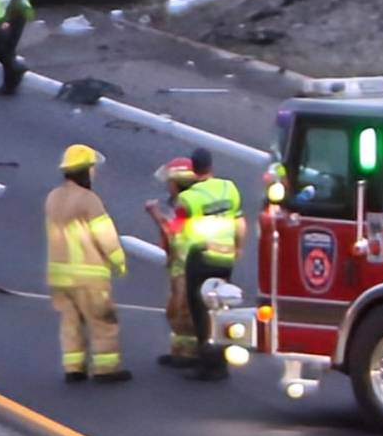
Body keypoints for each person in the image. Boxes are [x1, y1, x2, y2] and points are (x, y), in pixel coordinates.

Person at [46, 143, 131, 383]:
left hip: (59, 275)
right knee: (103, 322)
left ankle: (74, 368)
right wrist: (118, 261)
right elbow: (105, 235)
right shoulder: (89, 199)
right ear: (85, 170)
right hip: (88, 274)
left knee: (70, 322)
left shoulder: (53, 197)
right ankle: (106, 369)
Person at [172, 147, 248, 380]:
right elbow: (240, 223)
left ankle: (207, 363)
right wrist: (238, 248)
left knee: (200, 310)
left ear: (193, 169)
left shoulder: (188, 198)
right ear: (211, 167)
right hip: (225, 259)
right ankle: (222, 361)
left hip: (201, 257)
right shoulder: (229, 188)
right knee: (221, 307)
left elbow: (178, 231)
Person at [144, 156, 202, 368]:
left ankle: (191, 354)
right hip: (181, 264)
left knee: (183, 310)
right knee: (175, 310)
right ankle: (180, 351)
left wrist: (155, 214)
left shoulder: (188, 205)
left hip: (188, 266)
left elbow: (173, 232)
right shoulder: (189, 202)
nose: (168, 187)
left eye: (170, 182)